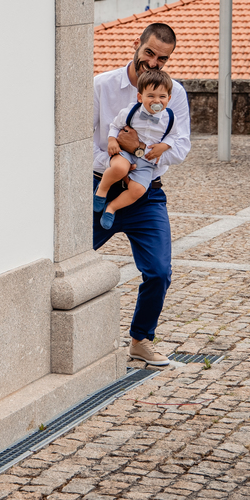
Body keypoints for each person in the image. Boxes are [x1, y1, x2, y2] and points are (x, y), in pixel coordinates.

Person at [93, 23, 190, 367]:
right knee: (65, 260)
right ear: (137, 44)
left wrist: (139, 151)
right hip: (100, 188)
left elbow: (180, 147)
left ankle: (140, 341)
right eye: (149, 53)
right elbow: (79, 141)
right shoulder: (102, 86)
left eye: (162, 59)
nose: (153, 63)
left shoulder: (174, 93)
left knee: (159, 272)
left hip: (147, 193)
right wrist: (118, 160)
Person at [94, 68, 175, 231]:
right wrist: (112, 140)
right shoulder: (130, 112)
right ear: (140, 97)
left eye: (162, 97)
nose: (156, 101)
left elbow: (173, 137)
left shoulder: (169, 118)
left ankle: (111, 207)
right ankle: (102, 190)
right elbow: (115, 126)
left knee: (138, 190)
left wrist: (164, 146)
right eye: (151, 96)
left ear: (169, 98)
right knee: (119, 168)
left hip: (147, 161)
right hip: (126, 152)